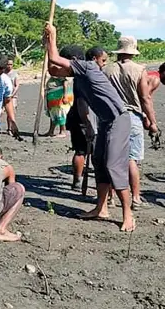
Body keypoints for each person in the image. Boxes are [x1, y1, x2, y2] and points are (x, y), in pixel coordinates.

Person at [43, 23, 135, 232]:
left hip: (119, 120)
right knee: (99, 163)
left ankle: (128, 214)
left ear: (74, 62)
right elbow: (52, 67)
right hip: (104, 123)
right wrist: (46, 44)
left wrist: (53, 36)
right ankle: (101, 208)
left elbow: (56, 60)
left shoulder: (88, 67)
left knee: (113, 165)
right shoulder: (79, 79)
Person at [103, 36, 159, 210]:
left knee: (112, 158)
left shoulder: (106, 69)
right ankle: (135, 198)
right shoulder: (139, 70)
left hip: (111, 116)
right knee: (131, 159)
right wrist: (152, 121)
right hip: (132, 116)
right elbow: (145, 98)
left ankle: (111, 198)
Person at [66, 46, 105, 190]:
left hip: (79, 116)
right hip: (84, 116)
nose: (104, 63)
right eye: (103, 60)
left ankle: (77, 180)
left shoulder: (81, 74)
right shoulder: (85, 75)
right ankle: (79, 180)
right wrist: (88, 123)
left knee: (80, 150)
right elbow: (82, 101)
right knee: (86, 151)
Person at [4, 58, 20, 135]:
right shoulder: (3, 74)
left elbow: (17, 86)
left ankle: (10, 129)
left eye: (11, 64)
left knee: (10, 113)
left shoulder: (15, 74)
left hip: (12, 97)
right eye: (8, 64)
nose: (9, 66)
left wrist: (12, 95)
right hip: (2, 96)